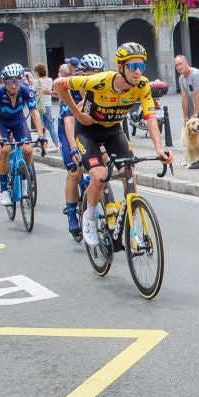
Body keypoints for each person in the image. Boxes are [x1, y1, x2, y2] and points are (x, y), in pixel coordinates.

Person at [55, 44, 171, 247]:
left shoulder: (142, 85)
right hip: (87, 132)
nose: (137, 71)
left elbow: (150, 117)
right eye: (132, 66)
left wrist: (159, 149)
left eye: (141, 66)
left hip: (113, 132)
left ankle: (132, 229)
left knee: (130, 174)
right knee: (99, 177)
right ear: (120, 67)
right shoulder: (99, 80)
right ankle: (89, 217)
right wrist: (77, 113)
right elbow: (59, 84)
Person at [57, 55, 102, 241]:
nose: (94, 79)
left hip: (91, 132)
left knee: (103, 165)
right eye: (90, 75)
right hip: (71, 133)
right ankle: (72, 215)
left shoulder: (102, 89)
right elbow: (69, 122)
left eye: (98, 75)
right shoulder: (72, 90)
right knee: (75, 172)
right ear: (81, 74)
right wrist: (74, 148)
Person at [0, 63, 46, 206]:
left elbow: (35, 113)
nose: (13, 86)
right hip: (2, 123)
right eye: (9, 82)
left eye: (17, 81)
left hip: (18, 121)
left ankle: (25, 180)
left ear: (21, 81)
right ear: (4, 82)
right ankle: (3, 190)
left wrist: (41, 135)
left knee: (27, 149)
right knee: (5, 150)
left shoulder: (26, 91)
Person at [31, 63, 55, 146]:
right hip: (48, 105)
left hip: (40, 106)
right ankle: (57, 145)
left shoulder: (35, 82)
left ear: (37, 72)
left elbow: (32, 91)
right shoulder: (50, 80)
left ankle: (43, 144)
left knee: (41, 126)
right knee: (51, 126)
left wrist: (31, 83)